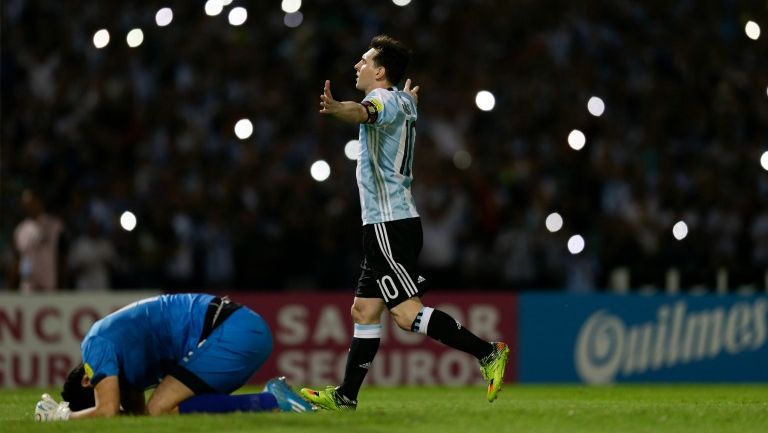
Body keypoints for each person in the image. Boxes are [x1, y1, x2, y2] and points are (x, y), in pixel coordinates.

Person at [300, 35, 509, 411]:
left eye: (363, 61)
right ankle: (347, 395)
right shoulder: (405, 103)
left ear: (380, 71)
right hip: (391, 223)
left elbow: (362, 111)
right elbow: (398, 107)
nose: (356, 66)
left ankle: (488, 352)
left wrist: (336, 109)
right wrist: (406, 99)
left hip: (388, 225)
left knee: (405, 313)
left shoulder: (382, 99)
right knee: (364, 311)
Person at [34, 293, 312, 421]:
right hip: (240, 329)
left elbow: (105, 411)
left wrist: (64, 417)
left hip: (233, 330)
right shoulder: (127, 375)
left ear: (87, 379)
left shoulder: (93, 345)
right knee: (164, 409)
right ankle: (269, 399)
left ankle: (271, 400)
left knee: (161, 408)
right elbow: (135, 418)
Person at [13, 189, 66, 292]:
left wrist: (62, 284)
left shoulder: (55, 225)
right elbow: (20, 259)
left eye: (31, 203)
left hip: (49, 285)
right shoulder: (20, 230)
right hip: (28, 286)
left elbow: (62, 256)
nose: (29, 207)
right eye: (25, 204)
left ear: (39, 201)